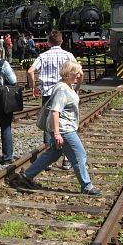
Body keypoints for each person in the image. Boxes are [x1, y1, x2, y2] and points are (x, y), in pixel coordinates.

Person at [11, 61, 101, 195]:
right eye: (76, 73)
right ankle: (87, 186)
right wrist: (57, 133)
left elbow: (79, 79)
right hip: (64, 130)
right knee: (79, 154)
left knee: (53, 153)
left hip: (66, 128)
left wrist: (79, 71)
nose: (79, 75)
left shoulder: (68, 86)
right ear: (69, 73)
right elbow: (55, 111)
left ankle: (27, 176)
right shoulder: (62, 89)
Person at [28, 29, 79, 170]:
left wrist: (33, 87)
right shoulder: (69, 56)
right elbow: (80, 73)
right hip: (65, 94)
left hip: (48, 94)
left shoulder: (43, 56)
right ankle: (66, 160)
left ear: (48, 42)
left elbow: (30, 71)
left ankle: (48, 158)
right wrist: (76, 88)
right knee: (67, 125)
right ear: (62, 41)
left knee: (48, 125)